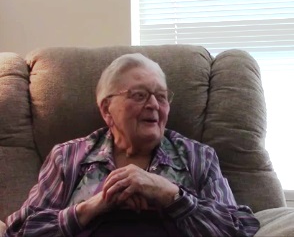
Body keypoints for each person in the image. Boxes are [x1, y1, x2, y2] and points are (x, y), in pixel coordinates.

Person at [4, 53, 260, 237]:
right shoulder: (68, 156)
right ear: (107, 109)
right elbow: (21, 230)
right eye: (139, 95)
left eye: (161, 96)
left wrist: (171, 195)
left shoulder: (197, 157)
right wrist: (94, 206)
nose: (153, 105)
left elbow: (238, 228)